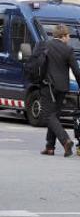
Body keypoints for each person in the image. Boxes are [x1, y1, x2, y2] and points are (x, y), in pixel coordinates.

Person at [38, 24, 80, 157]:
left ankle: (65, 140)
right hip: (62, 88)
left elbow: (39, 64)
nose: (69, 38)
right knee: (54, 115)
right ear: (63, 36)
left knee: (48, 116)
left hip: (48, 86)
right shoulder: (68, 50)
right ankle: (50, 147)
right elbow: (76, 71)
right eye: (68, 36)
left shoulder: (46, 46)